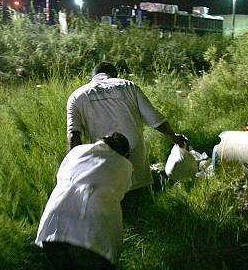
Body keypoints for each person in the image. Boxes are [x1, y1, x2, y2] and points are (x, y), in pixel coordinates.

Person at [67, 61, 186, 192]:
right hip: (135, 163)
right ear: (114, 75)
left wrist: (74, 169)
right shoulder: (128, 86)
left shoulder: (76, 96)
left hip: (101, 166)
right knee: (139, 205)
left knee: (110, 204)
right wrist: (173, 136)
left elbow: (74, 135)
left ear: (92, 76)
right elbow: (155, 119)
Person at [35, 132, 132, 270]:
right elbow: (121, 191)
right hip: (88, 234)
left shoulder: (77, 151)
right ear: (125, 154)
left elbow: (60, 175)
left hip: (52, 224)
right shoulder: (124, 164)